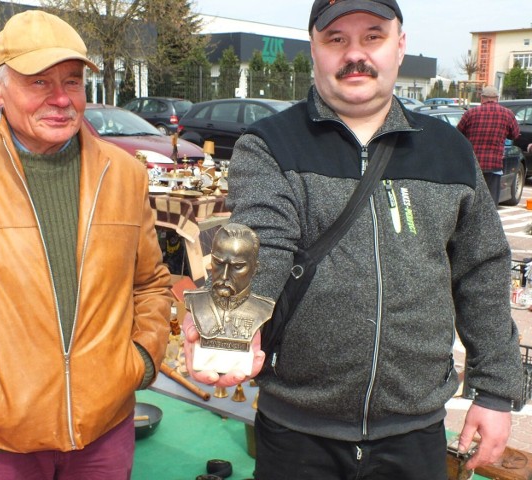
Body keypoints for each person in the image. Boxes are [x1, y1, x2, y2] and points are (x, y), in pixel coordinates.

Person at [183, 1, 524, 479]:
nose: (354, 54)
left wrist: (493, 391)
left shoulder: (447, 149)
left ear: (400, 46)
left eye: (372, 36)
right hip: (296, 431)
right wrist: (233, 320)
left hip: (415, 430)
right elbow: (265, 239)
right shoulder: (269, 143)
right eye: (336, 39)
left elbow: (481, 270)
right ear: (315, 49)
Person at [0, 10, 172, 479]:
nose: (61, 99)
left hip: (105, 432)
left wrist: (139, 360)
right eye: (39, 82)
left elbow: (150, 284)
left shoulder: (124, 175)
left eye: (73, 81)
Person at [185, 223, 274, 342]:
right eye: (218, 263)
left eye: (237, 266)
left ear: (254, 269)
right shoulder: (193, 301)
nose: (224, 275)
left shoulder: (263, 309)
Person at [457, 85, 520, 206]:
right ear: (497, 98)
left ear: (482, 98)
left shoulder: (470, 113)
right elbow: (515, 135)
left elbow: (458, 133)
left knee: (472, 203)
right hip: (494, 166)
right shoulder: (507, 114)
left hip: (473, 165)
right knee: (490, 204)